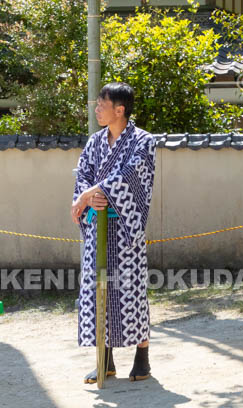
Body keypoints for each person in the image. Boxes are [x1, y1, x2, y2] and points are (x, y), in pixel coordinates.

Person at [71, 83, 156, 384]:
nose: (96, 109)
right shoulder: (95, 142)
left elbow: (131, 177)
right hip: (98, 231)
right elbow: (82, 174)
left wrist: (95, 192)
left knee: (131, 292)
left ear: (119, 110)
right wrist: (87, 196)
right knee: (97, 292)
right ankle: (103, 360)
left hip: (126, 233)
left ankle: (142, 358)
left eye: (101, 105)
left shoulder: (143, 141)